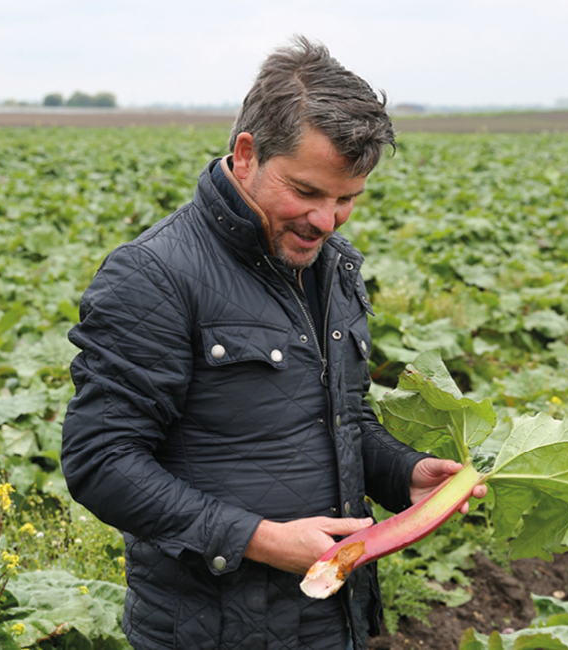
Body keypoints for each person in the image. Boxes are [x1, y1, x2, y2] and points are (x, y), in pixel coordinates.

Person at [61, 36, 484, 650]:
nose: (326, 220)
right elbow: (101, 461)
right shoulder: (155, 274)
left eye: (347, 200)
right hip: (214, 629)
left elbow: (340, 420)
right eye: (307, 192)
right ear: (245, 154)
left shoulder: (331, 266)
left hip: (332, 617)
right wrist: (258, 538)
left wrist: (405, 474)